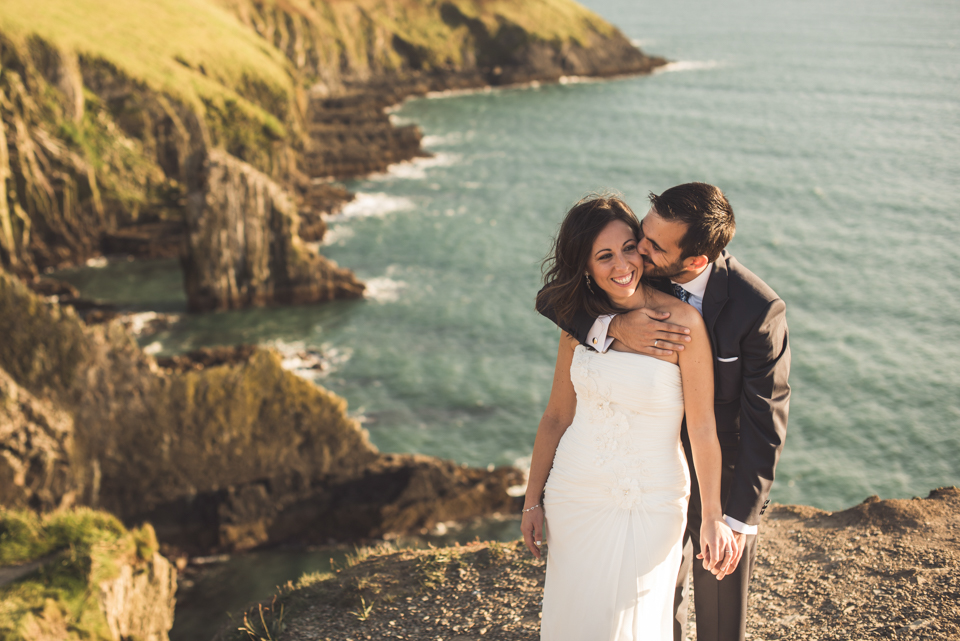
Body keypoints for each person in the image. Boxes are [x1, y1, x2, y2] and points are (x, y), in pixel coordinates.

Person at [536, 183, 791, 641]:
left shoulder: (758, 309)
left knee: (719, 614)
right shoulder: (633, 273)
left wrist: (731, 518)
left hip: (719, 472)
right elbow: (556, 298)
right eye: (643, 234)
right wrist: (611, 327)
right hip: (615, 472)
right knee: (652, 607)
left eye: (650, 245)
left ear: (694, 261)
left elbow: (764, 425)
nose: (640, 250)